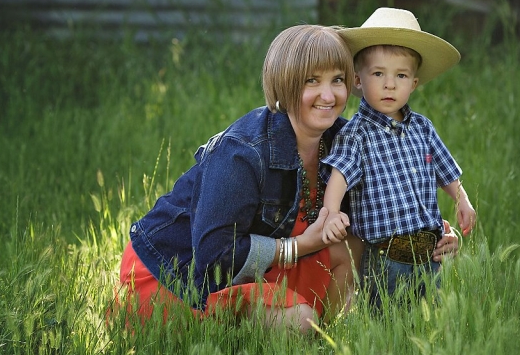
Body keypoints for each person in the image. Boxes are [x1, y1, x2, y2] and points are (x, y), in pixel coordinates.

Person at [115, 24, 363, 334]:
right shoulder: (243, 152)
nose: (328, 95)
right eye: (312, 80)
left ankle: (324, 343)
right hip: (176, 279)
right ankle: (265, 344)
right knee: (299, 321)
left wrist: (434, 234)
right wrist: (299, 246)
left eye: (337, 80)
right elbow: (214, 256)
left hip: (252, 269)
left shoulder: (343, 139)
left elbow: (387, 201)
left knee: (352, 246)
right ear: (284, 84)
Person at [321, 7, 476, 305]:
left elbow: (446, 172)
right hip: (384, 257)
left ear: (413, 84)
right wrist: (331, 215)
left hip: (429, 255)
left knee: (428, 319)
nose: (389, 84)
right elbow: (339, 178)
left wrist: (462, 200)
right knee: (385, 319)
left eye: (401, 75)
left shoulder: (423, 128)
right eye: (378, 73)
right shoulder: (356, 134)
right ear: (357, 80)